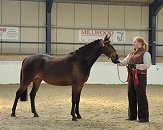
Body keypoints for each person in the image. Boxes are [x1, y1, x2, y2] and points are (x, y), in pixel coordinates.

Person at [113, 36, 151, 123]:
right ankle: (132, 116)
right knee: (131, 95)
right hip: (131, 76)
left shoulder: (145, 53)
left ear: (140, 43)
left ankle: (144, 117)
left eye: (135, 42)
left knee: (141, 96)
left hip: (140, 76)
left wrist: (135, 66)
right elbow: (125, 62)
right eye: (134, 42)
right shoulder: (131, 54)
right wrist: (117, 62)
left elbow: (147, 65)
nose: (133, 43)